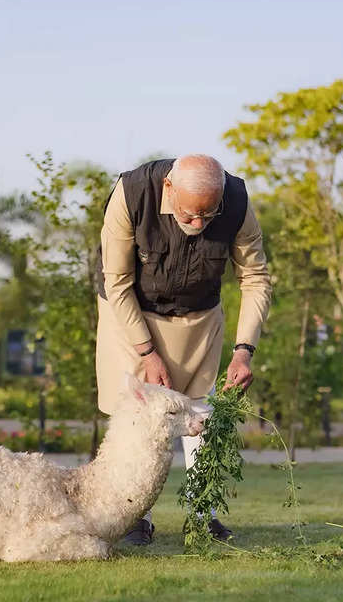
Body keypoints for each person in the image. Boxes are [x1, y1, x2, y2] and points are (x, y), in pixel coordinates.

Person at [96, 154, 271, 544]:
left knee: (201, 414)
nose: (199, 225)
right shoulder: (131, 193)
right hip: (130, 309)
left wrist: (244, 350)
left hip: (198, 315)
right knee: (138, 417)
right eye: (191, 215)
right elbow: (117, 282)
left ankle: (201, 514)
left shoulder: (238, 202)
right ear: (169, 189)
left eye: (209, 216)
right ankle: (135, 516)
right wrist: (147, 352)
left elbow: (255, 278)